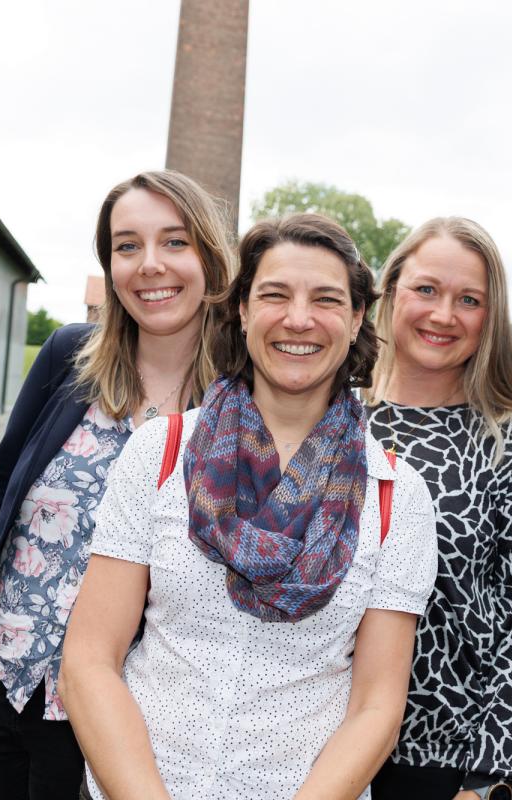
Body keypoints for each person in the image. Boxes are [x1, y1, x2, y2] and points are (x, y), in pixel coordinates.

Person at [59, 213, 439, 800]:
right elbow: (89, 660)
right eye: (275, 295)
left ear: (357, 317)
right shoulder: (161, 453)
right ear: (241, 309)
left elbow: (376, 708)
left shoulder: (396, 496)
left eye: (326, 299)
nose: (298, 319)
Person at [0, 170, 234, 798]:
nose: (149, 264)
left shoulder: (241, 402)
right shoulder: (70, 357)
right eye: (127, 246)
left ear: (211, 256)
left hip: (116, 715)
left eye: (175, 241)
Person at [363, 217, 512, 800]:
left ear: (489, 318)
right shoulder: (333, 417)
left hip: (443, 757)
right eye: (426, 289)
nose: (443, 315)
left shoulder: (511, 441)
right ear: (390, 290)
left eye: (469, 300)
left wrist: (491, 779)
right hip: (310, 739)